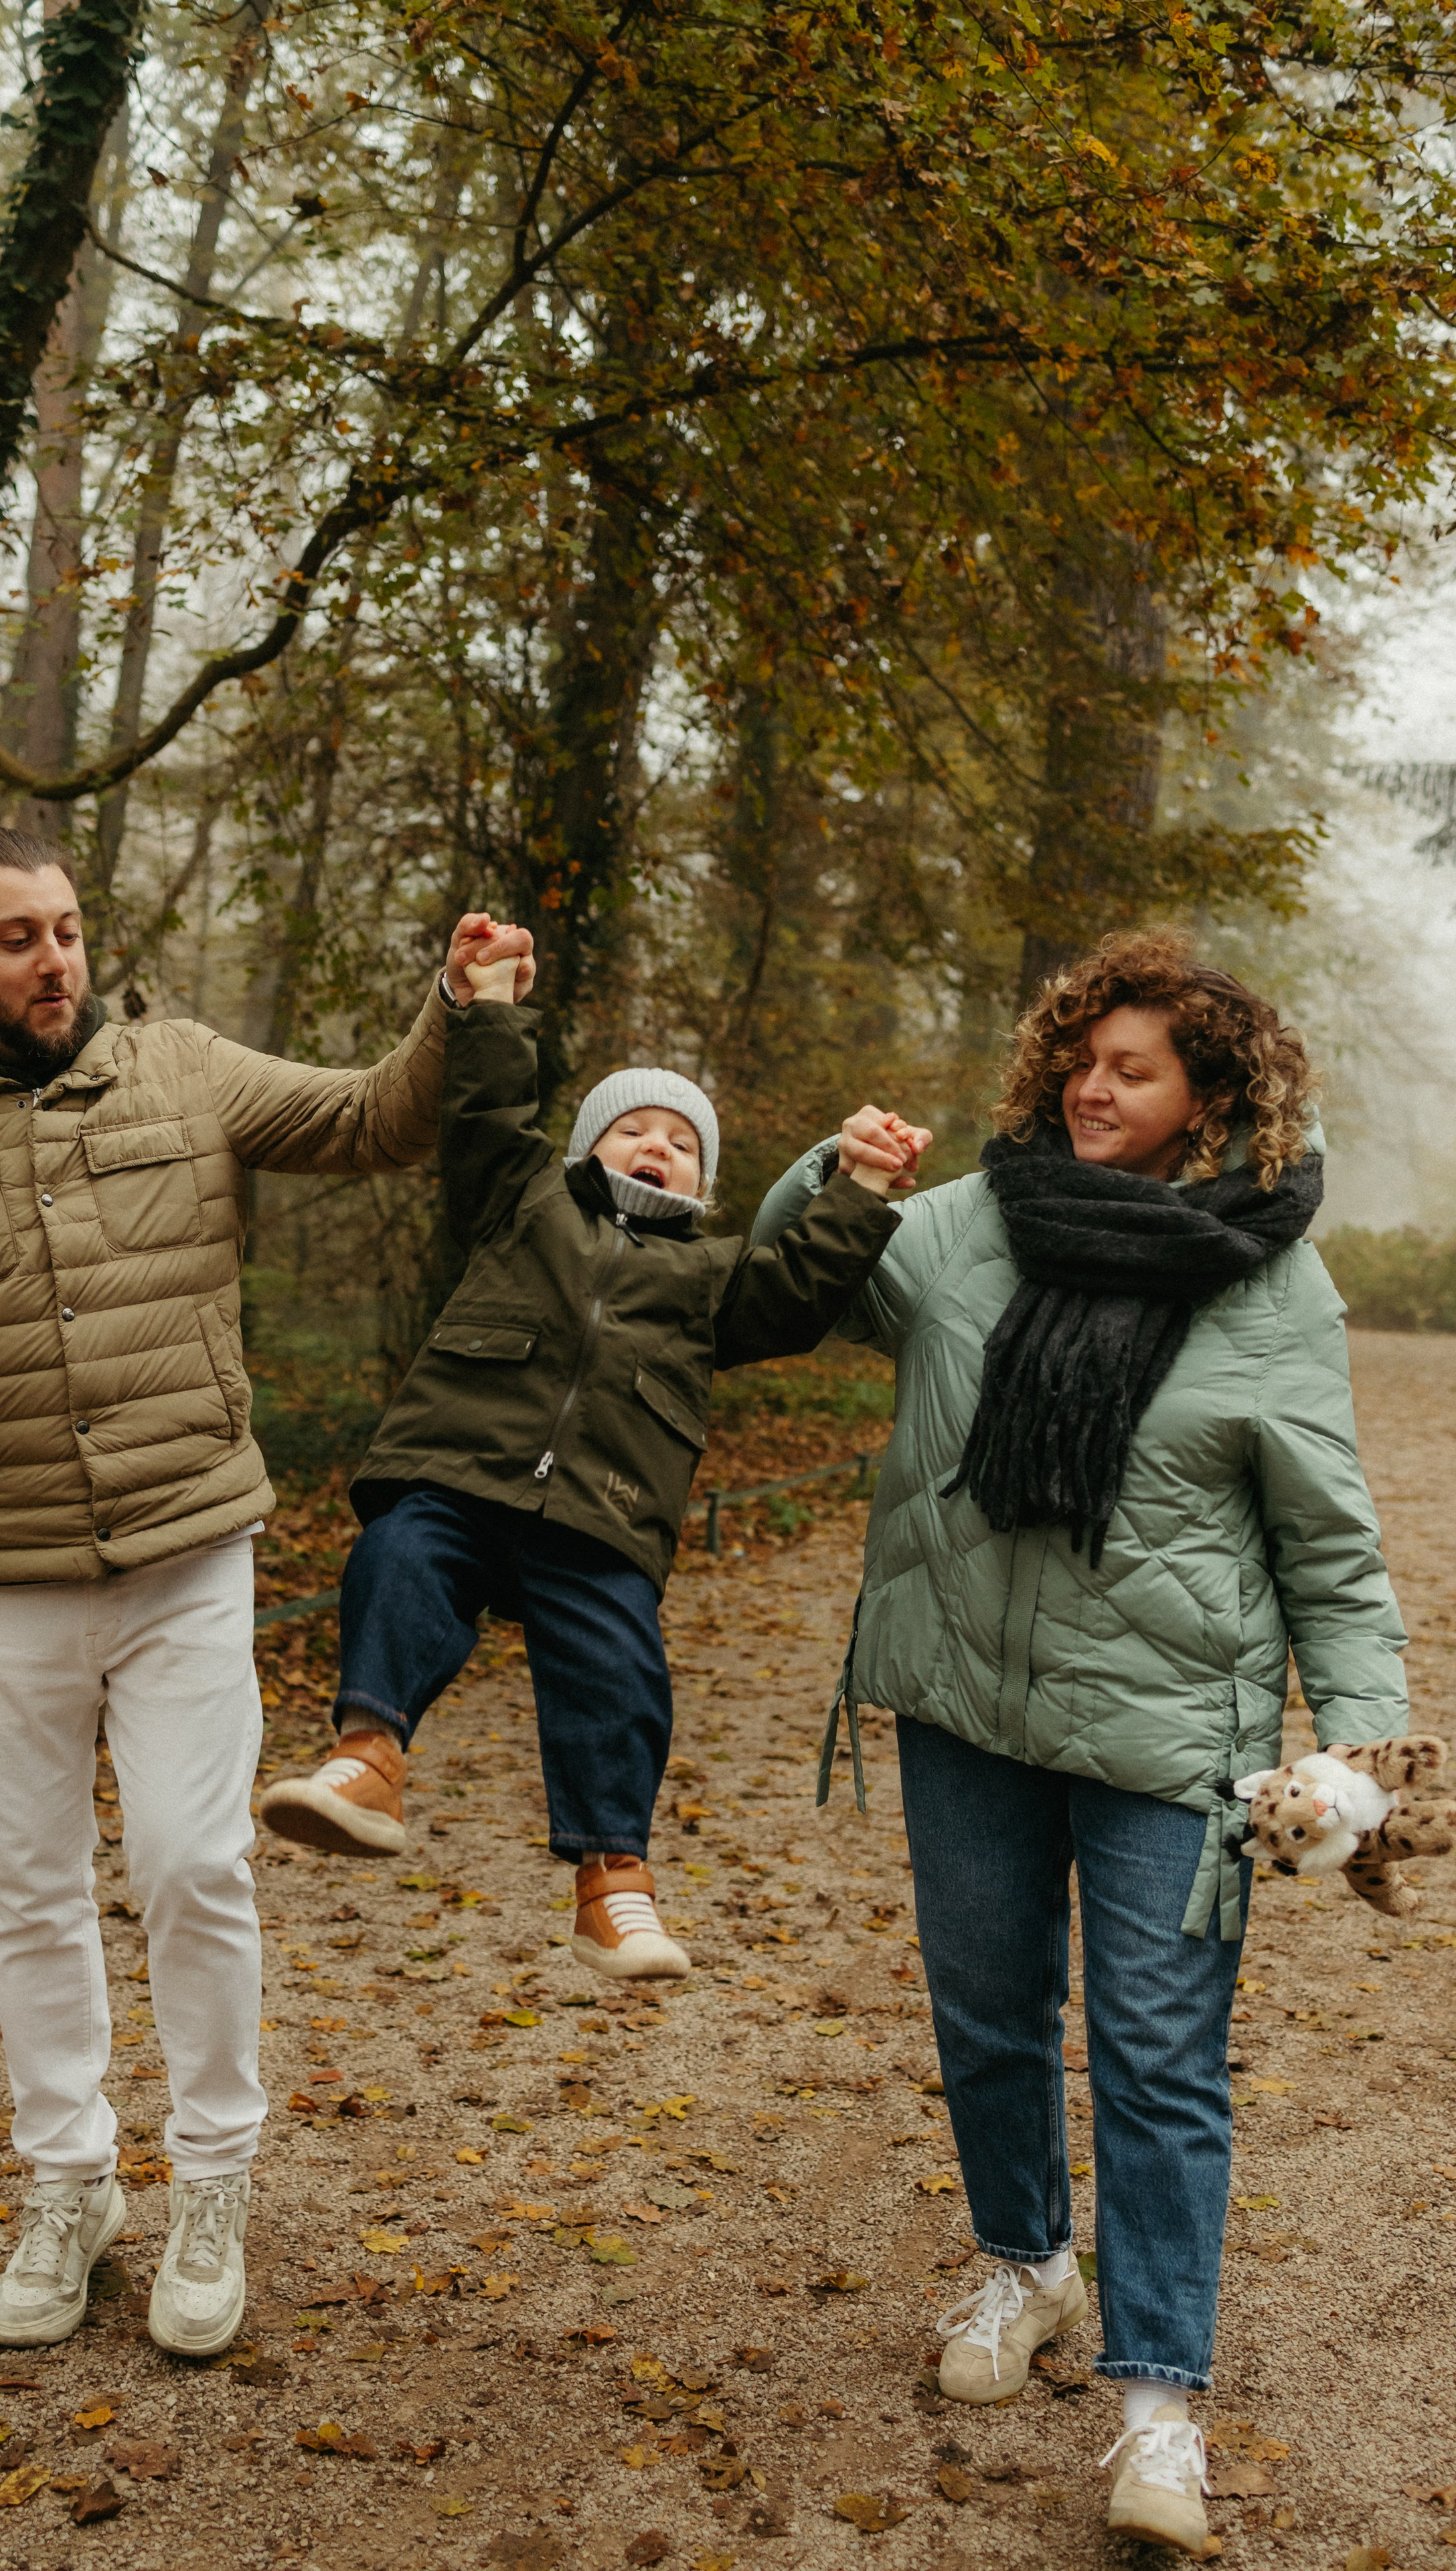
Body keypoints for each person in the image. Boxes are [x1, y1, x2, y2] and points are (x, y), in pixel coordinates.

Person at [0, 825, 533, 2358]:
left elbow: (379, 1118)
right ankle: (68, 2188)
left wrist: (455, 1003)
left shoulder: (187, 1071)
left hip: (189, 1557)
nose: (54, 961)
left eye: (68, 931)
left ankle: (214, 2185)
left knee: (191, 1865)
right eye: (18, 939)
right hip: (2, 1579)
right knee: (29, 1899)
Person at [752, 930, 1408, 2559]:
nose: (1092, 1087)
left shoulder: (1271, 1280)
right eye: (1080, 1060)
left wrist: (1373, 1746)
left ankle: (1159, 2410)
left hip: (1173, 1739)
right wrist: (828, 1169)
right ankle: (1023, 2263)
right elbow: (794, 1268)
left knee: (1158, 2058)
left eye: (1133, 1069)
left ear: (1206, 1099)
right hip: (967, 1706)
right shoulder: (966, 1226)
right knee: (985, 2014)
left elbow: (1325, 1547)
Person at [260, 951, 932, 1974]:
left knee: (621, 1672)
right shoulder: (523, 1200)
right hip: (461, 1473)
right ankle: (368, 1760)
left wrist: (865, 1181)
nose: (657, 1148)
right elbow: (484, 1116)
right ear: (585, 1149)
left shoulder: (713, 1275)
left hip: (604, 1511)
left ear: (705, 1185)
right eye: (633, 1131)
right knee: (395, 1562)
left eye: (681, 1145)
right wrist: (486, 1006)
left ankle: (612, 1881)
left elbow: (800, 1293)